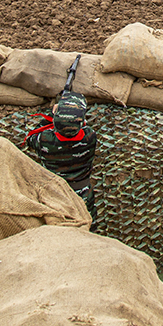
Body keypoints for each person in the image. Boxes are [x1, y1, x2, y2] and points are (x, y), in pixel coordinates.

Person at [26, 91, 99, 229]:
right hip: (83, 196)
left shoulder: (44, 140)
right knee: (88, 232)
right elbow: (82, 125)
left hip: (55, 197)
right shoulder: (90, 137)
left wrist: (51, 115)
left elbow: (31, 137)